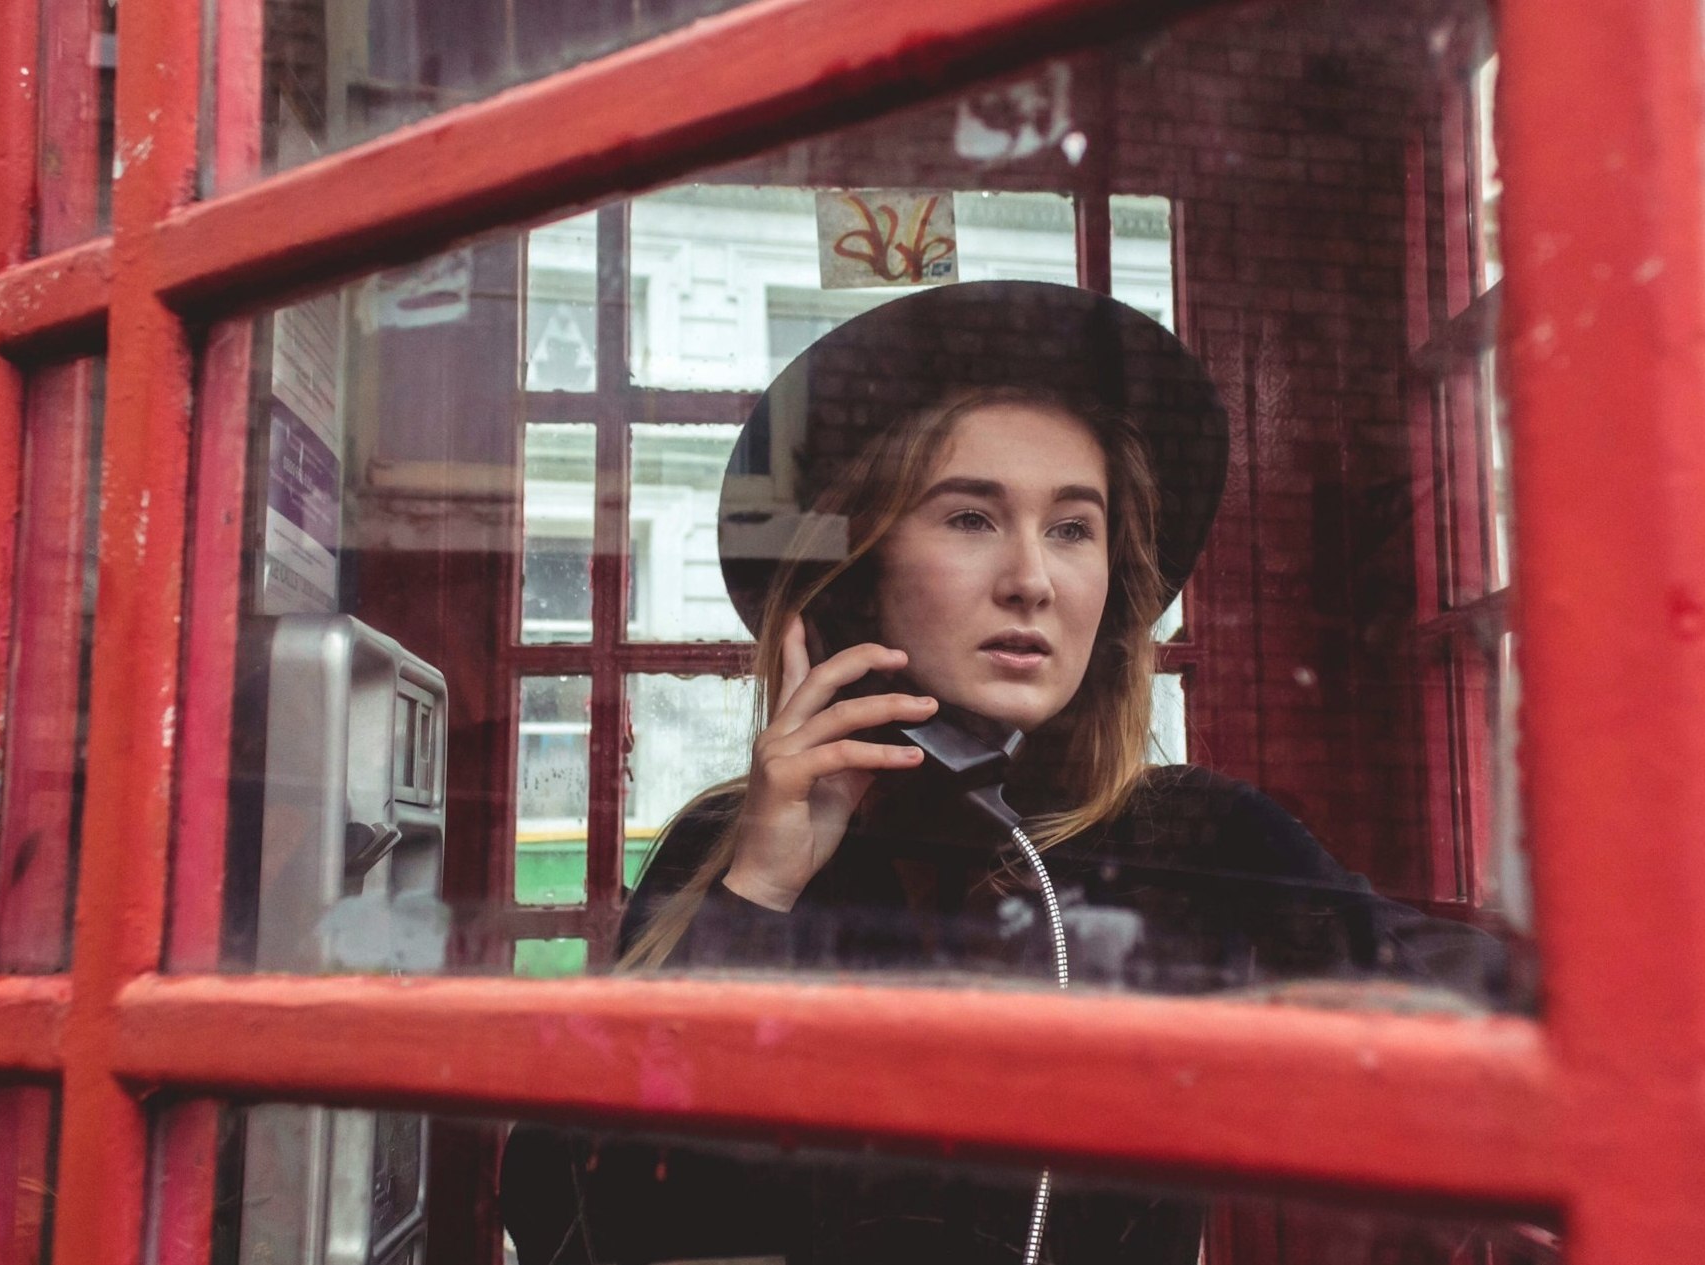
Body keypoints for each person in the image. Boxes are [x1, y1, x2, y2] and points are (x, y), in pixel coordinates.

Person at [501, 281, 1507, 1265]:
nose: (1030, 579)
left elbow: (1498, 1031)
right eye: (970, 518)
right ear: (858, 580)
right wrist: (755, 895)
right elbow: (572, 1217)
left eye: (1072, 528)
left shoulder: (1197, 841)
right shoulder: (728, 846)